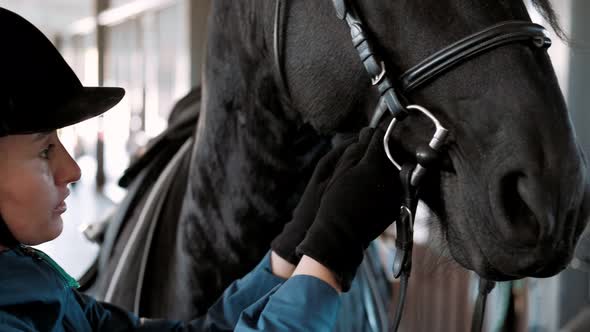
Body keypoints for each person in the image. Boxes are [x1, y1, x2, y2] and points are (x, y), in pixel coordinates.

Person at [0, 7, 398, 331]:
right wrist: (329, 255)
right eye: (45, 150)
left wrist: (289, 251)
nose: (72, 169)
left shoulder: (32, 283)